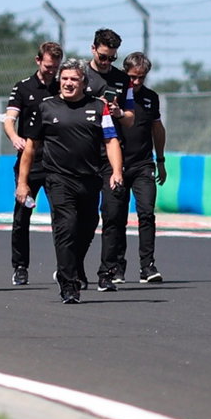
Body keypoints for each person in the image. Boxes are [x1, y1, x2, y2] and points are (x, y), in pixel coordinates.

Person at [15, 58, 124, 304]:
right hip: (58, 178)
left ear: (84, 82)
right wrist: (23, 183)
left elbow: (111, 140)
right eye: (64, 79)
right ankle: (68, 283)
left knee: (86, 227)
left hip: (90, 178)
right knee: (66, 227)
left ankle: (71, 266)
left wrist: (116, 170)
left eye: (74, 79)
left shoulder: (99, 107)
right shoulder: (45, 107)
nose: (68, 83)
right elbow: (30, 149)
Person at [2, 42, 63, 286]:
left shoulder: (64, 86)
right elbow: (9, 119)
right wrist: (15, 136)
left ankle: (66, 268)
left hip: (58, 161)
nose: (52, 72)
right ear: (38, 61)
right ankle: (20, 266)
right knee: (21, 217)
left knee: (63, 217)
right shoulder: (23, 87)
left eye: (55, 68)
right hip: (29, 161)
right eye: (48, 66)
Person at [84, 28, 132, 289]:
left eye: (112, 58)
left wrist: (119, 112)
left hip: (111, 153)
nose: (107, 63)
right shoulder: (78, 76)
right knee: (84, 217)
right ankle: (74, 268)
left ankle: (107, 271)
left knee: (113, 214)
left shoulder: (123, 80)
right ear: (93, 49)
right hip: (83, 155)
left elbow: (132, 118)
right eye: (103, 57)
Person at [115, 52, 167, 283]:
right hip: (116, 165)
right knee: (116, 217)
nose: (136, 82)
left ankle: (147, 266)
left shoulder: (151, 98)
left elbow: (157, 129)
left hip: (143, 164)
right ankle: (116, 266)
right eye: (133, 77)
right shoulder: (113, 96)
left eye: (141, 78)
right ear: (125, 73)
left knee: (146, 213)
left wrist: (161, 160)